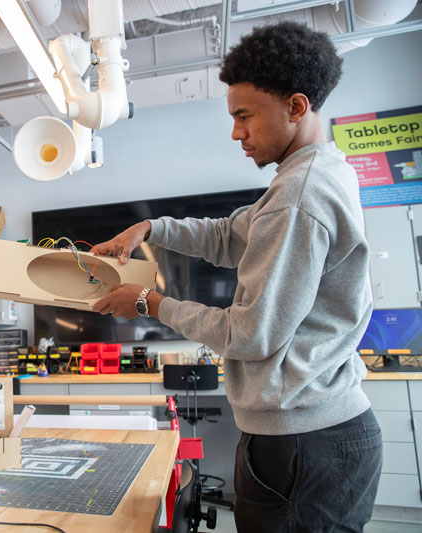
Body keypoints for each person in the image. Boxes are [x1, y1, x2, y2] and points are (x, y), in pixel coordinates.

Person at [92, 22, 382, 532]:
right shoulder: (310, 173)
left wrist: (148, 303)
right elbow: (229, 234)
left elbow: (251, 334)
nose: (236, 133)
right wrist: (151, 228)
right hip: (311, 431)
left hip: (303, 442)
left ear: (295, 106)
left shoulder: (298, 197)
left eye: (244, 116)